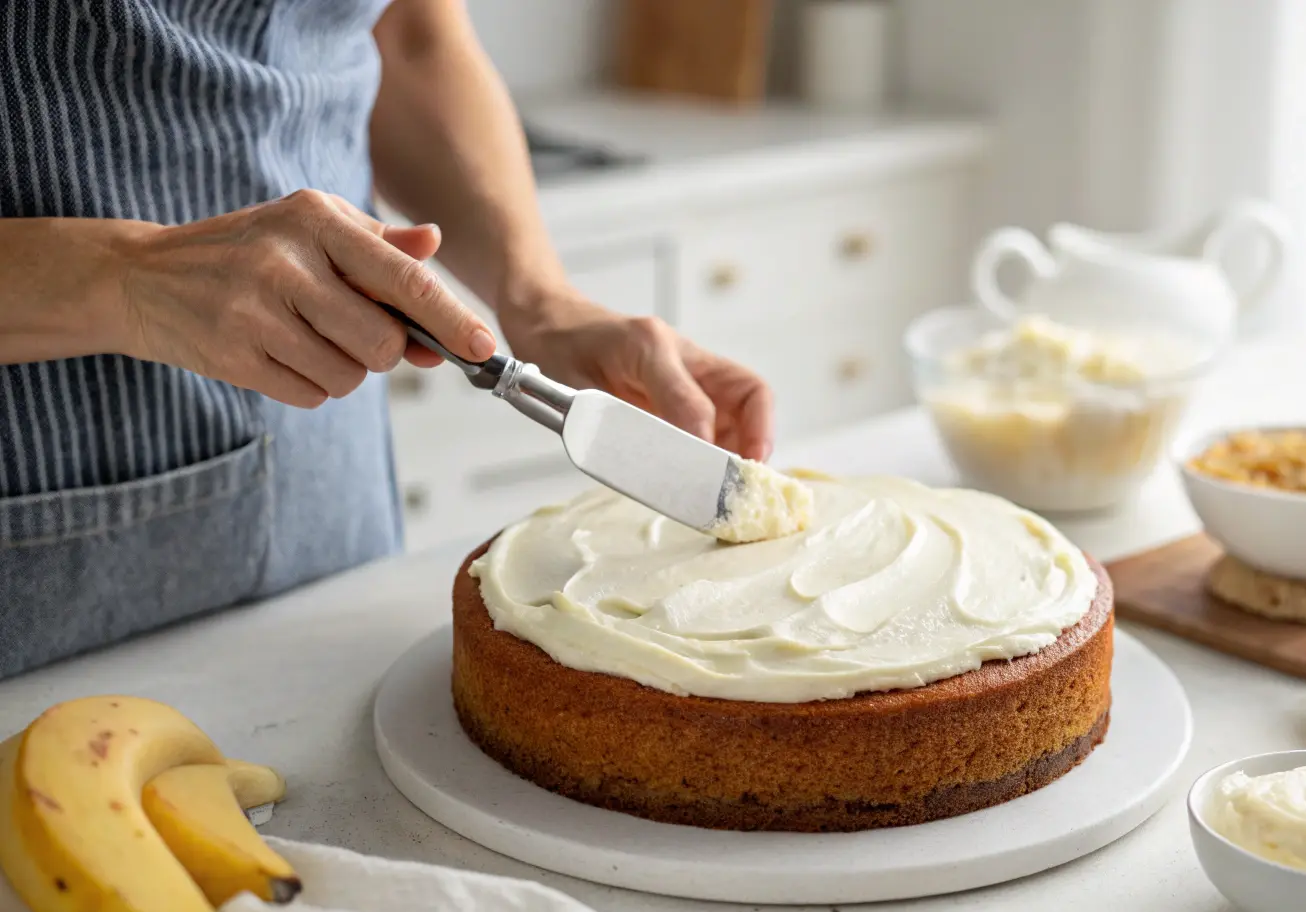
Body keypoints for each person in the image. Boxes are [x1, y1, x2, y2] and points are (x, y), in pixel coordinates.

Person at [0, 0, 774, 679]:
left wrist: (539, 297)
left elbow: (412, 35)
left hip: (325, 485)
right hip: (37, 513)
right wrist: (122, 277)